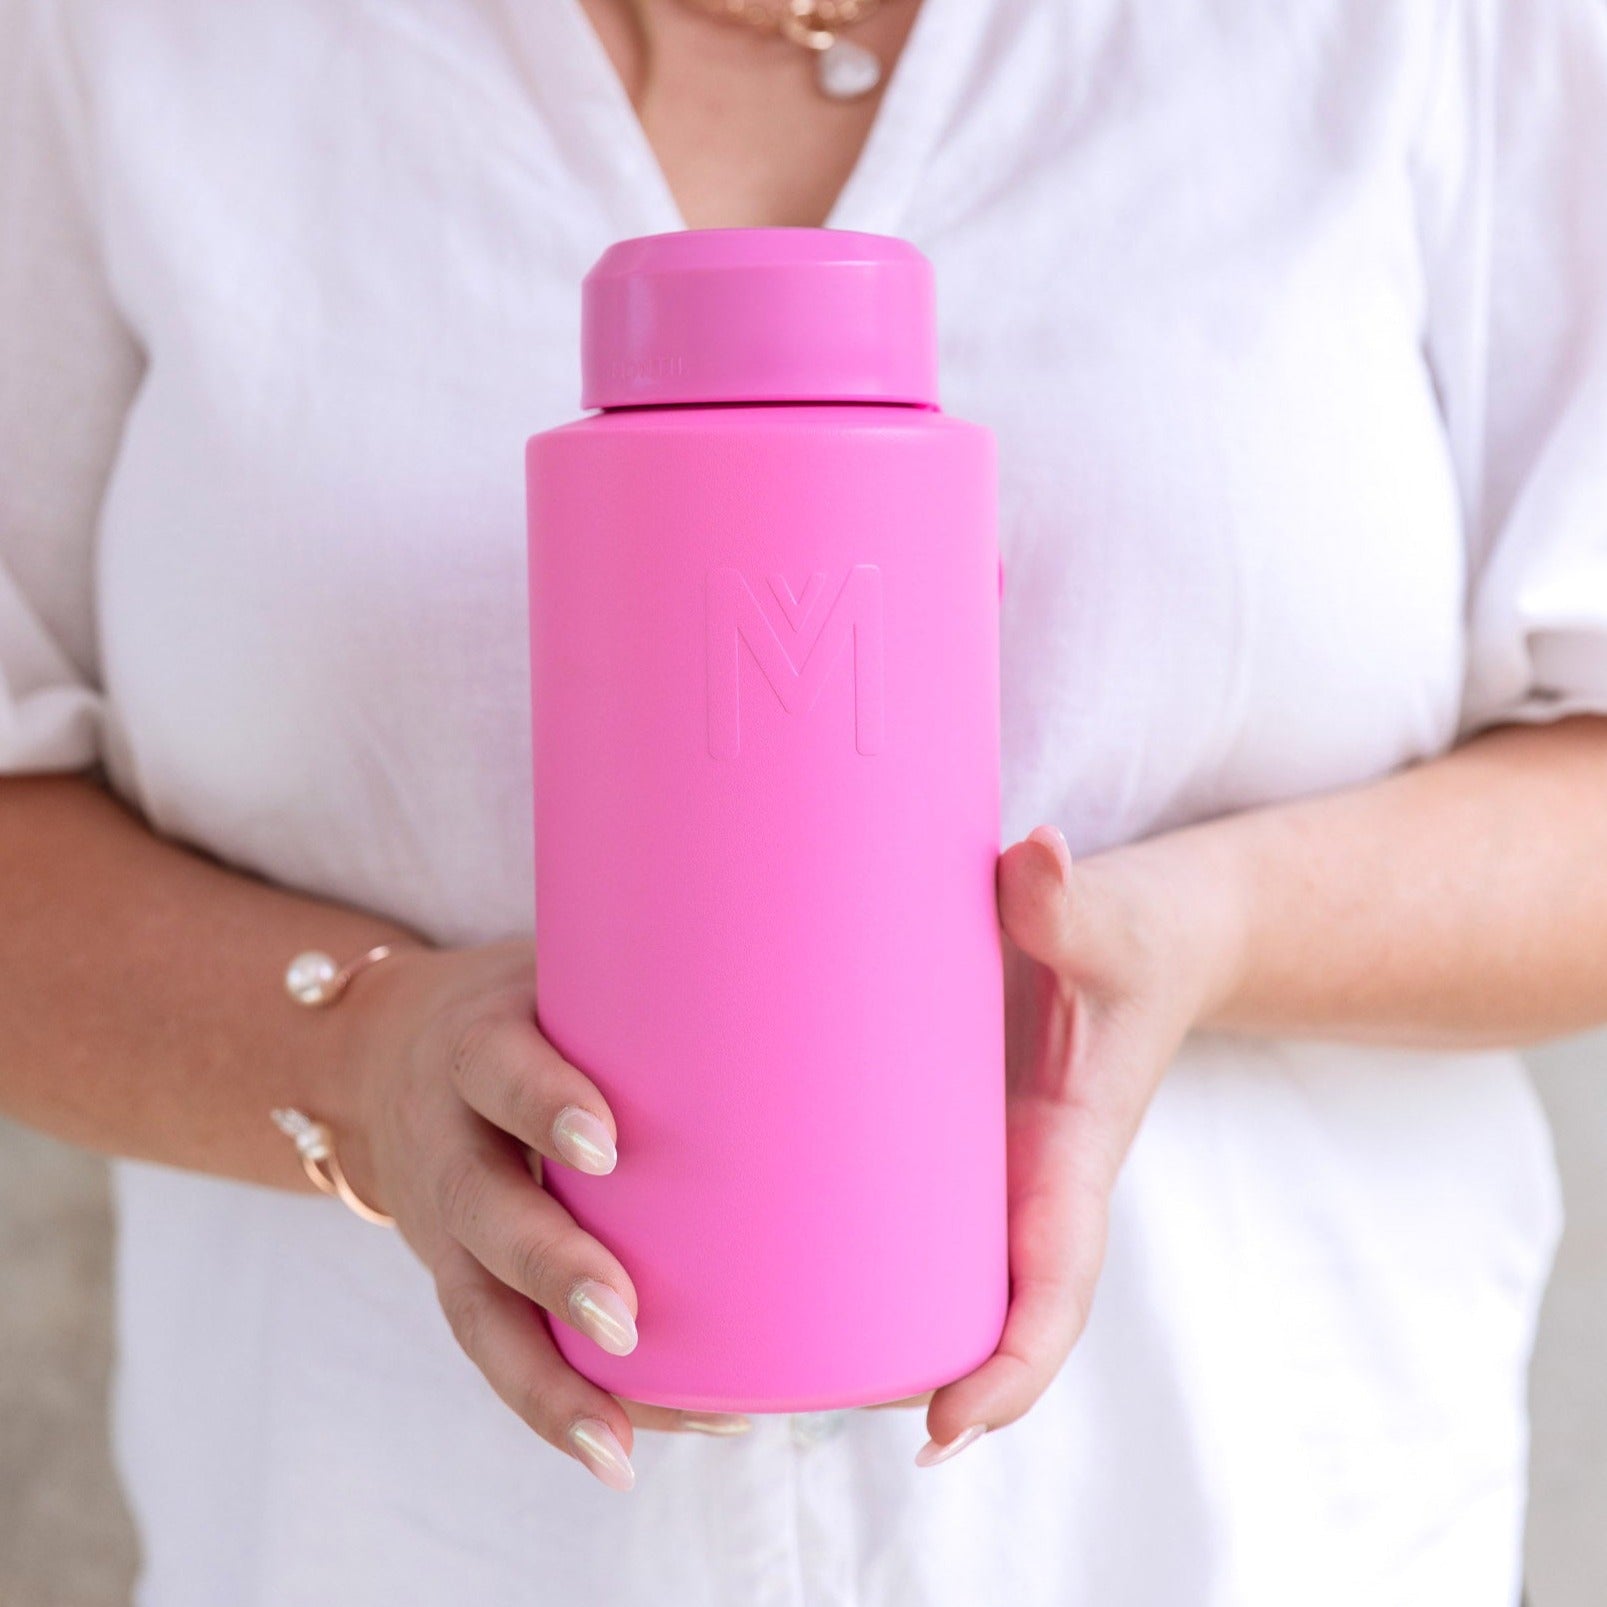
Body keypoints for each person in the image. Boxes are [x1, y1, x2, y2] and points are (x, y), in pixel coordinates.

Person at [3, 0, 1605, 1601]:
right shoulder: (116, 47)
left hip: (1234, 1523)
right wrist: (357, 1056)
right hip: (399, 1536)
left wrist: (1214, 930)